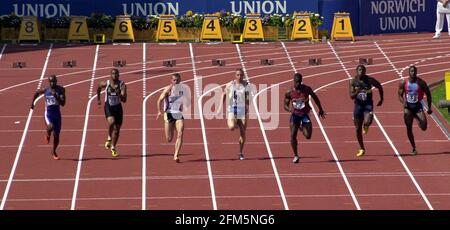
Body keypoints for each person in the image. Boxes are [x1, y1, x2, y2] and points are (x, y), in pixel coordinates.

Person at [284, 73, 325, 164]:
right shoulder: (289, 92)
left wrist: (320, 109)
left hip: (305, 114)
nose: (297, 84)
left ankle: (302, 127)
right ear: (293, 81)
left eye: (299, 82)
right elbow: (285, 105)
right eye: (296, 82)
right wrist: (290, 109)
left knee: (308, 136)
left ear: (301, 81)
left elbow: (315, 98)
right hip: (295, 115)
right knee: (293, 135)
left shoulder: (306, 89)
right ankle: (296, 155)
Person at [349, 65, 383, 157]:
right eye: (359, 70)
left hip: (368, 104)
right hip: (358, 105)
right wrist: (357, 91)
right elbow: (351, 96)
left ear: (365, 71)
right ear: (356, 71)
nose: (361, 71)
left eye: (363, 70)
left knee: (368, 121)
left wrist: (381, 99)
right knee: (357, 129)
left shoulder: (370, 80)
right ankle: (361, 148)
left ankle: (366, 125)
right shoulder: (353, 81)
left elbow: (379, 86)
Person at [398, 65, 433, 155]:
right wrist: (403, 102)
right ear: (409, 72)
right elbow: (399, 95)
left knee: (424, 127)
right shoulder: (403, 82)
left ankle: (417, 118)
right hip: (408, 108)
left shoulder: (421, 83)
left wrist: (429, 108)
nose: (413, 73)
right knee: (409, 128)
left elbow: (429, 95)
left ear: (416, 72)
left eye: (414, 71)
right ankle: (413, 148)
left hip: (417, 107)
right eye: (411, 71)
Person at [30, 75, 66, 160]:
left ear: (56, 81)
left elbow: (63, 104)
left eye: (54, 81)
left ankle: (53, 151)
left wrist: (56, 96)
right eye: (51, 82)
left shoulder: (61, 90)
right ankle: (48, 134)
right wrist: (33, 103)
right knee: (50, 126)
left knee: (57, 136)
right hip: (48, 114)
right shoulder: (46, 90)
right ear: (49, 82)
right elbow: (37, 92)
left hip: (57, 115)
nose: (52, 83)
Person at [97, 68, 127, 157]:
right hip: (108, 106)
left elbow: (124, 100)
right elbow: (98, 88)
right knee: (111, 122)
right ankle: (109, 138)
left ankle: (113, 147)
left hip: (118, 108)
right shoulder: (106, 84)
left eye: (116, 74)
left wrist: (119, 94)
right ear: (110, 75)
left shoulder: (122, 85)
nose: (114, 75)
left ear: (118, 75)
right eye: (113, 74)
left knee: (117, 130)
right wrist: (98, 98)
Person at [156, 73, 186, 163]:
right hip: (168, 114)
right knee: (169, 139)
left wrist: (181, 106)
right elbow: (159, 100)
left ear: (180, 80)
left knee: (180, 133)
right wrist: (159, 111)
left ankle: (176, 155)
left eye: (177, 80)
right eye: (174, 80)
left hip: (178, 114)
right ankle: (172, 127)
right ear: (171, 81)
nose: (176, 82)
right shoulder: (167, 90)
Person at [222, 69, 250, 160]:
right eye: (238, 75)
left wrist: (246, 100)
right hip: (232, 110)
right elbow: (224, 94)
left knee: (243, 133)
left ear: (243, 76)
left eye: (241, 75)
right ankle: (235, 124)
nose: (239, 77)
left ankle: (241, 152)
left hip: (242, 111)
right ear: (235, 75)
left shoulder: (246, 85)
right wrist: (220, 107)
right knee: (231, 127)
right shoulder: (230, 85)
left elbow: (248, 100)